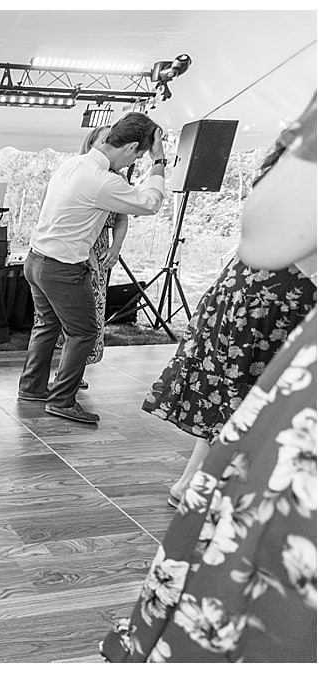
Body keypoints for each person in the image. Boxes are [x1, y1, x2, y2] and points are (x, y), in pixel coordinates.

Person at [101, 92, 316, 663]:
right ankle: (197, 483)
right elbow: (268, 235)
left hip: (275, 297)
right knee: (238, 404)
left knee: (245, 416)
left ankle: (197, 486)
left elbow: (269, 230)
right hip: (267, 296)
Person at [142, 124, 316, 507]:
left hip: (239, 294)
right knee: (253, 403)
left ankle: (191, 485)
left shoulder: (283, 173)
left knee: (232, 397)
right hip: (276, 303)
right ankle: (222, 494)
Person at [18, 112, 167, 424]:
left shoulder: (74, 164)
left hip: (36, 260)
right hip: (61, 269)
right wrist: (158, 162)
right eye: (137, 155)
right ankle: (61, 400)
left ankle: (32, 387)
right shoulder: (102, 180)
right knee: (84, 332)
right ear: (131, 148)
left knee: (47, 326)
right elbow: (151, 203)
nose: (132, 163)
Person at [51, 126, 130, 385]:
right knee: (74, 314)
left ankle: (78, 371)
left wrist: (115, 248)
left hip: (102, 248)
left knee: (94, 311)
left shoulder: (117, 180)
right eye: (104, 139)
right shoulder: (81, 172)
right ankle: (65, 373)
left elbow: (121, 219)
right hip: (78, 248)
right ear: (92, 144)